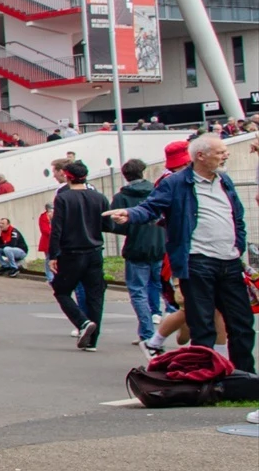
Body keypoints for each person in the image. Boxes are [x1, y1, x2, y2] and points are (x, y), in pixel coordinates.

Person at [107, 134, 254, 372]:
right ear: (200, 156)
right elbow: (152, 207)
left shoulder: (224, 181)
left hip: (229, 261)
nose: (225, 155)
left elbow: (237, 217)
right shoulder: (176, 183)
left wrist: (239, 248)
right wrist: (131, 214)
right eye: (220, 152)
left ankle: (244, 376)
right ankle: (206, 375)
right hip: (197, 261)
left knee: (242, 322)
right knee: (202, 323)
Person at [105, 159, 165, 355]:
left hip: (136, 246)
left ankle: (147, 332)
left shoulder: (121, 197)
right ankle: (156, 313)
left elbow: (116, 225)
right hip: (159, 243)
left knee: (137, 290)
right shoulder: (156, 191)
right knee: (157, 282)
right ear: (143, 171)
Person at [50, 160, 110, 350]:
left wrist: (53, 254)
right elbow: (107, 225)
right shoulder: (99, 198)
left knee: (61, 290)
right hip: (95, 252)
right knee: (95, 295)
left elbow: (57, 229)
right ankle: (93, 341)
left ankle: (82, 322)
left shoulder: (63, 198)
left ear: (67, 176)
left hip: (72, 253)